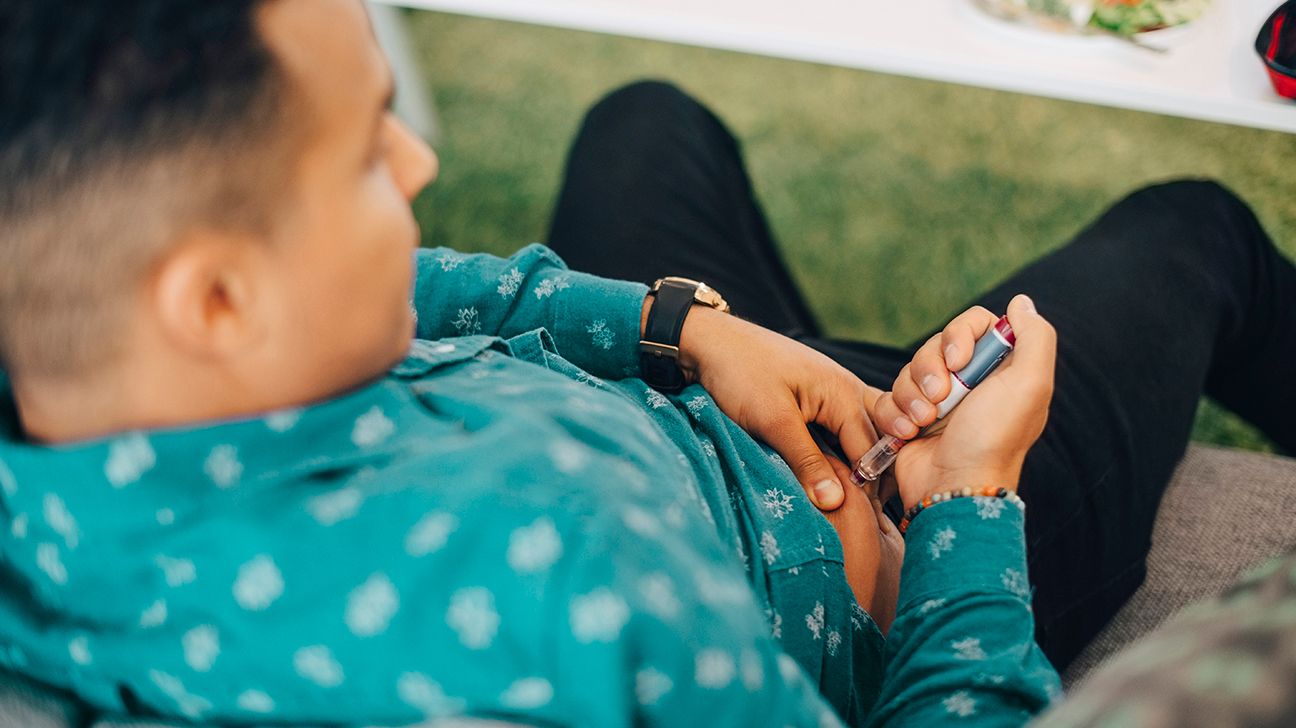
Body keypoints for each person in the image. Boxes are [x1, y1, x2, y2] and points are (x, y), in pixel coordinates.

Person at [0, 2, 1291, 728]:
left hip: (690, 404)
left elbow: (429, 281)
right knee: (1194, 227)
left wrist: (691, 333)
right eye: (360, 152)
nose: (421, 166)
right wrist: (966, 506)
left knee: (642, 119)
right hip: (910, 556)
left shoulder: (75, 388)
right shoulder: (569, 587)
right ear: (217, 298)